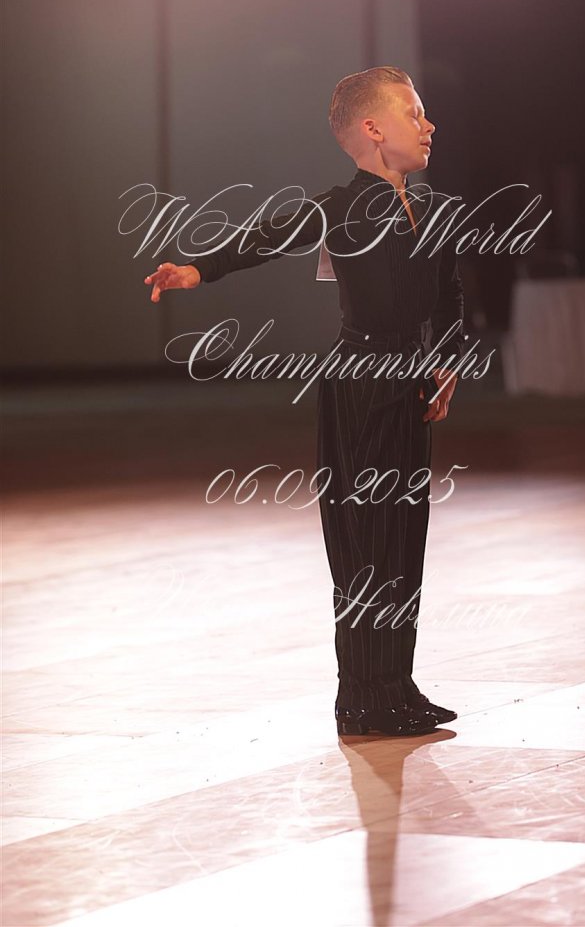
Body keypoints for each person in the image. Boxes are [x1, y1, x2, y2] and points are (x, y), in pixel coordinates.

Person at [144, 66, 464, 737]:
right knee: (364, 542)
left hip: (409, 382)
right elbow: (266, 236)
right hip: (360, 382)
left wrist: (445, 361)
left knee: (404, 538)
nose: (428, 124)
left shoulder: (433, 209)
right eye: (414, 113)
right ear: (372, 128)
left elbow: (448, 295)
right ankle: (363, 695)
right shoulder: (339, 208)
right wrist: (198, 269)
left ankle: (398, 685)